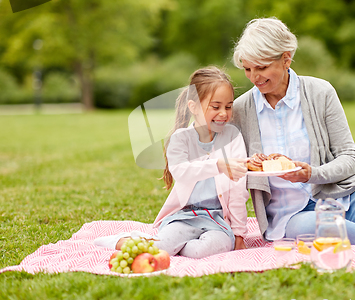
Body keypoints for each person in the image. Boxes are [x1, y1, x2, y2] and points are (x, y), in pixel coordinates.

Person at [231, 17, 355, 245]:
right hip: (291, 214)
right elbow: (220, 159)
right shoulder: (241, 109)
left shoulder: (321, 92)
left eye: (262, 67)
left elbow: (349, 158)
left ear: (286, 59)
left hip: (344, 192)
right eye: (247, 69)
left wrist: (312, 174)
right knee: (319, 226)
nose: (254, 77)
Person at [94, 67, 249, 258]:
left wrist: (239, 235)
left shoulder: (233, 137)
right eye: (215, 107)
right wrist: (218, 165)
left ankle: (178, 246)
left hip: (217, 220)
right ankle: (123, 240)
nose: (224, 114)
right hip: (184, 217)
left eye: (228, 106)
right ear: (194, 107)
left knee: (203, 251)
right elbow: (181, 172)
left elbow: (238, 190)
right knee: (154, 250)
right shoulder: (181, 138)